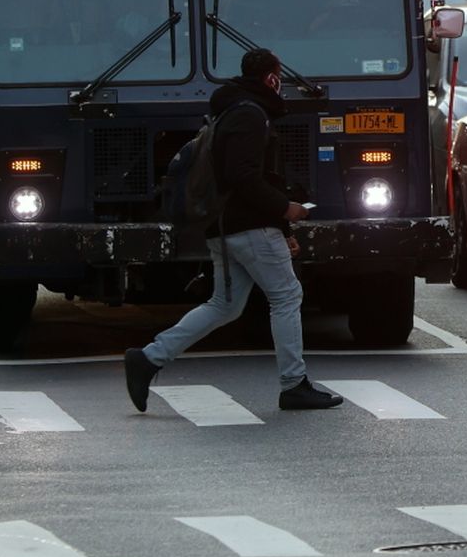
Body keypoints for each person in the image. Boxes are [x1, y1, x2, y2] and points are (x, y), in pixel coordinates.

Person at [124, 48, 344, 412]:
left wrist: (281, 225)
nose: (282, 88)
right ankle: (294, 384)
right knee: (287, 296)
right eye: (279, 79)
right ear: (271, 78)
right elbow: (243, 177)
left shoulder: (231, 111)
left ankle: (148, 359)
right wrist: (283, 209)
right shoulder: (250, 116)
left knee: (224, 304)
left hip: (225, 226)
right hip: (249, 225)